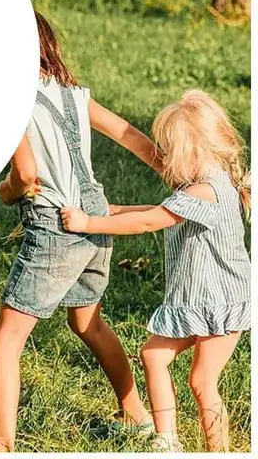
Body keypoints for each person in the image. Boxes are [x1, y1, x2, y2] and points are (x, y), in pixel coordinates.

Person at [0, 11, 162, 450]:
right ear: (49, 46)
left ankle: (2, 445)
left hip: (57, 228)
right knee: (87, 321)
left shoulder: (9, 100)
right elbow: (128, 134)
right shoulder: (73, 93)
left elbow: (26, 177)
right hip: (96, 218)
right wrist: (171, 172)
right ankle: (135, 414)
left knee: (7, 338)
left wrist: (6, 194)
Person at [61, 91, 251, 452]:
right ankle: (168, 439)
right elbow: (162, 209)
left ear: (192, 154)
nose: (165, 163)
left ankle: (218, 449)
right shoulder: (204, 185)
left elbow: (150, 222)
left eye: (170, 154)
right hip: (196, 301)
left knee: (202, 381)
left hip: (224, 303)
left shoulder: (206, 191)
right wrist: (115, 211)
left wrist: (90, 222)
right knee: (153, 355)